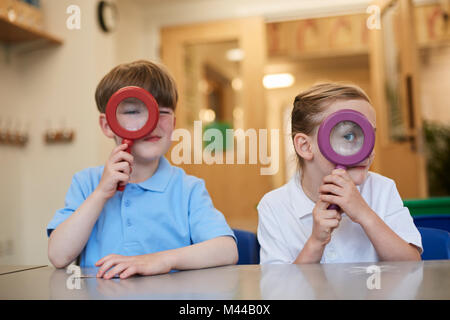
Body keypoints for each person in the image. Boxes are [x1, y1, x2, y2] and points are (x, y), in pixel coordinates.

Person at [47, 60, 238, 279]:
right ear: (108, 125)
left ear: (174, 124)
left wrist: (161, 260)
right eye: (133, 111)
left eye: (162, 112)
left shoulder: (187, 188)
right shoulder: (86, 183)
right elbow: (58, 256)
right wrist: (100, 194)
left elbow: (227, 250)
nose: (152, 121)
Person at [257, 82, 422, 264]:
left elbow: (412, 265)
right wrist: (315, 243)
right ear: (305, 146)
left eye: (369, 136)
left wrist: (364, 214)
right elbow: (280, 289)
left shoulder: (382, 189)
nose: (367, 150)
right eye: (349, 136)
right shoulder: (274, 206)